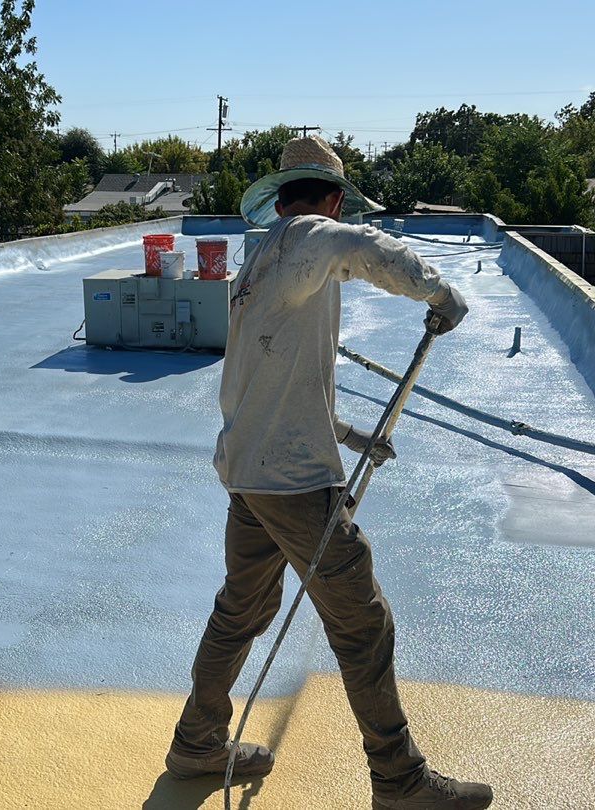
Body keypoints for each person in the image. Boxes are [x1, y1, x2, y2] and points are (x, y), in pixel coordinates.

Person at [164, 137, 492, 810]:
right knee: (362, 623)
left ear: (279, 196)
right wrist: (439, 291)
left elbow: (267, 381)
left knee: (242, 608)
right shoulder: (317, 236)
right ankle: (398, 779)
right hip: (291, 481)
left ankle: (197, 741)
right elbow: (364, 249)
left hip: (249, 470)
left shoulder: (261, 259)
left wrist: (349, 436)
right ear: (334, 199)